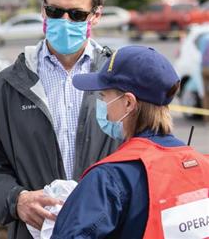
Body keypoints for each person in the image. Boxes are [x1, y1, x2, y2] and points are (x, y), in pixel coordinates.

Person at [0, 0, 121, 239]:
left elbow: (143, 155)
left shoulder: (119, 78)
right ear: (43, 10)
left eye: (76, 14)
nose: (64, 20)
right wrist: (16, 200)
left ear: (96, 15)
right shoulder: (9, 84)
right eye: (55, 11)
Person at [52, 45, 209, 238]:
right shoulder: (202, 166)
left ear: (128, 103)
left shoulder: (109, 178)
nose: (102, 105)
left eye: (104, 96)